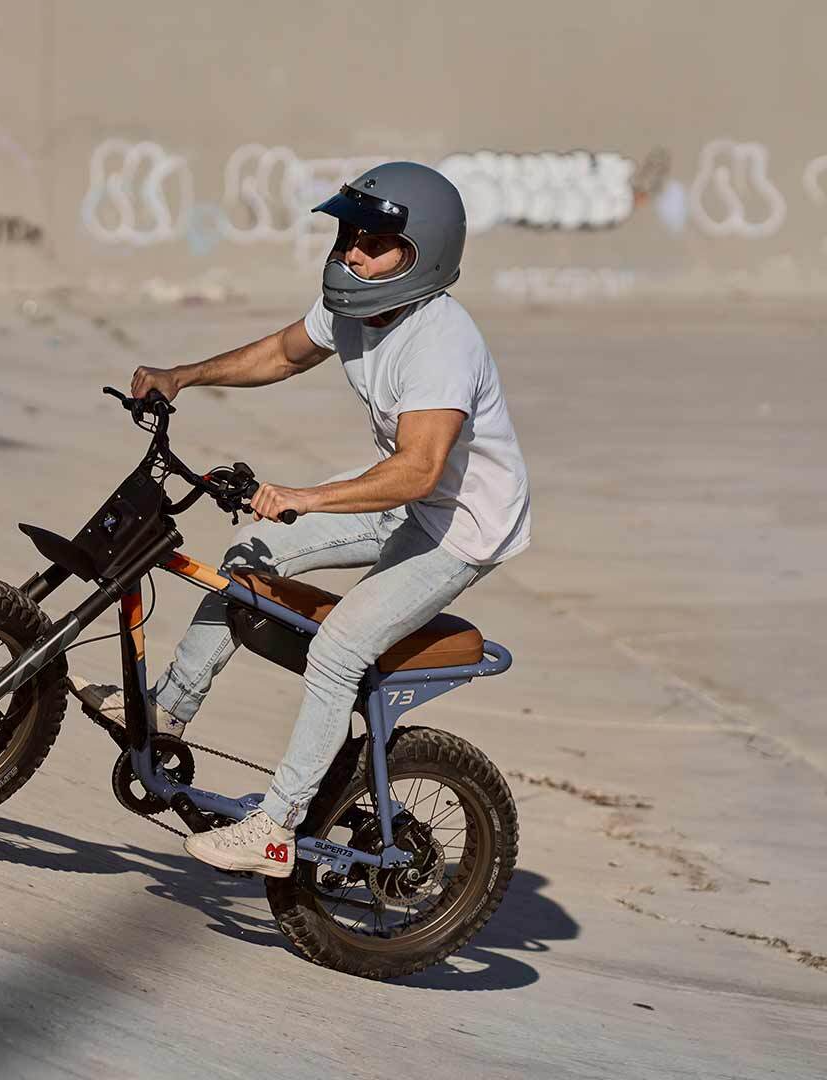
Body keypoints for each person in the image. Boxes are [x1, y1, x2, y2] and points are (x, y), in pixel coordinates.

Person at [85, 161, 531, 877]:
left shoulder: (442, 344)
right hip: (401, 500)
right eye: (348, 235)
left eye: (374, 243)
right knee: (250, 550)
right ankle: (170, 709)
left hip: (459, 527)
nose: (351, 251)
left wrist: (307, 497)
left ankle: (277, 825)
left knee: (339, 648)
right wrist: (183, 375)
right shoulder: (359, 304)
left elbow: (418, 467)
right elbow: (284, 353)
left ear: (425, 255)